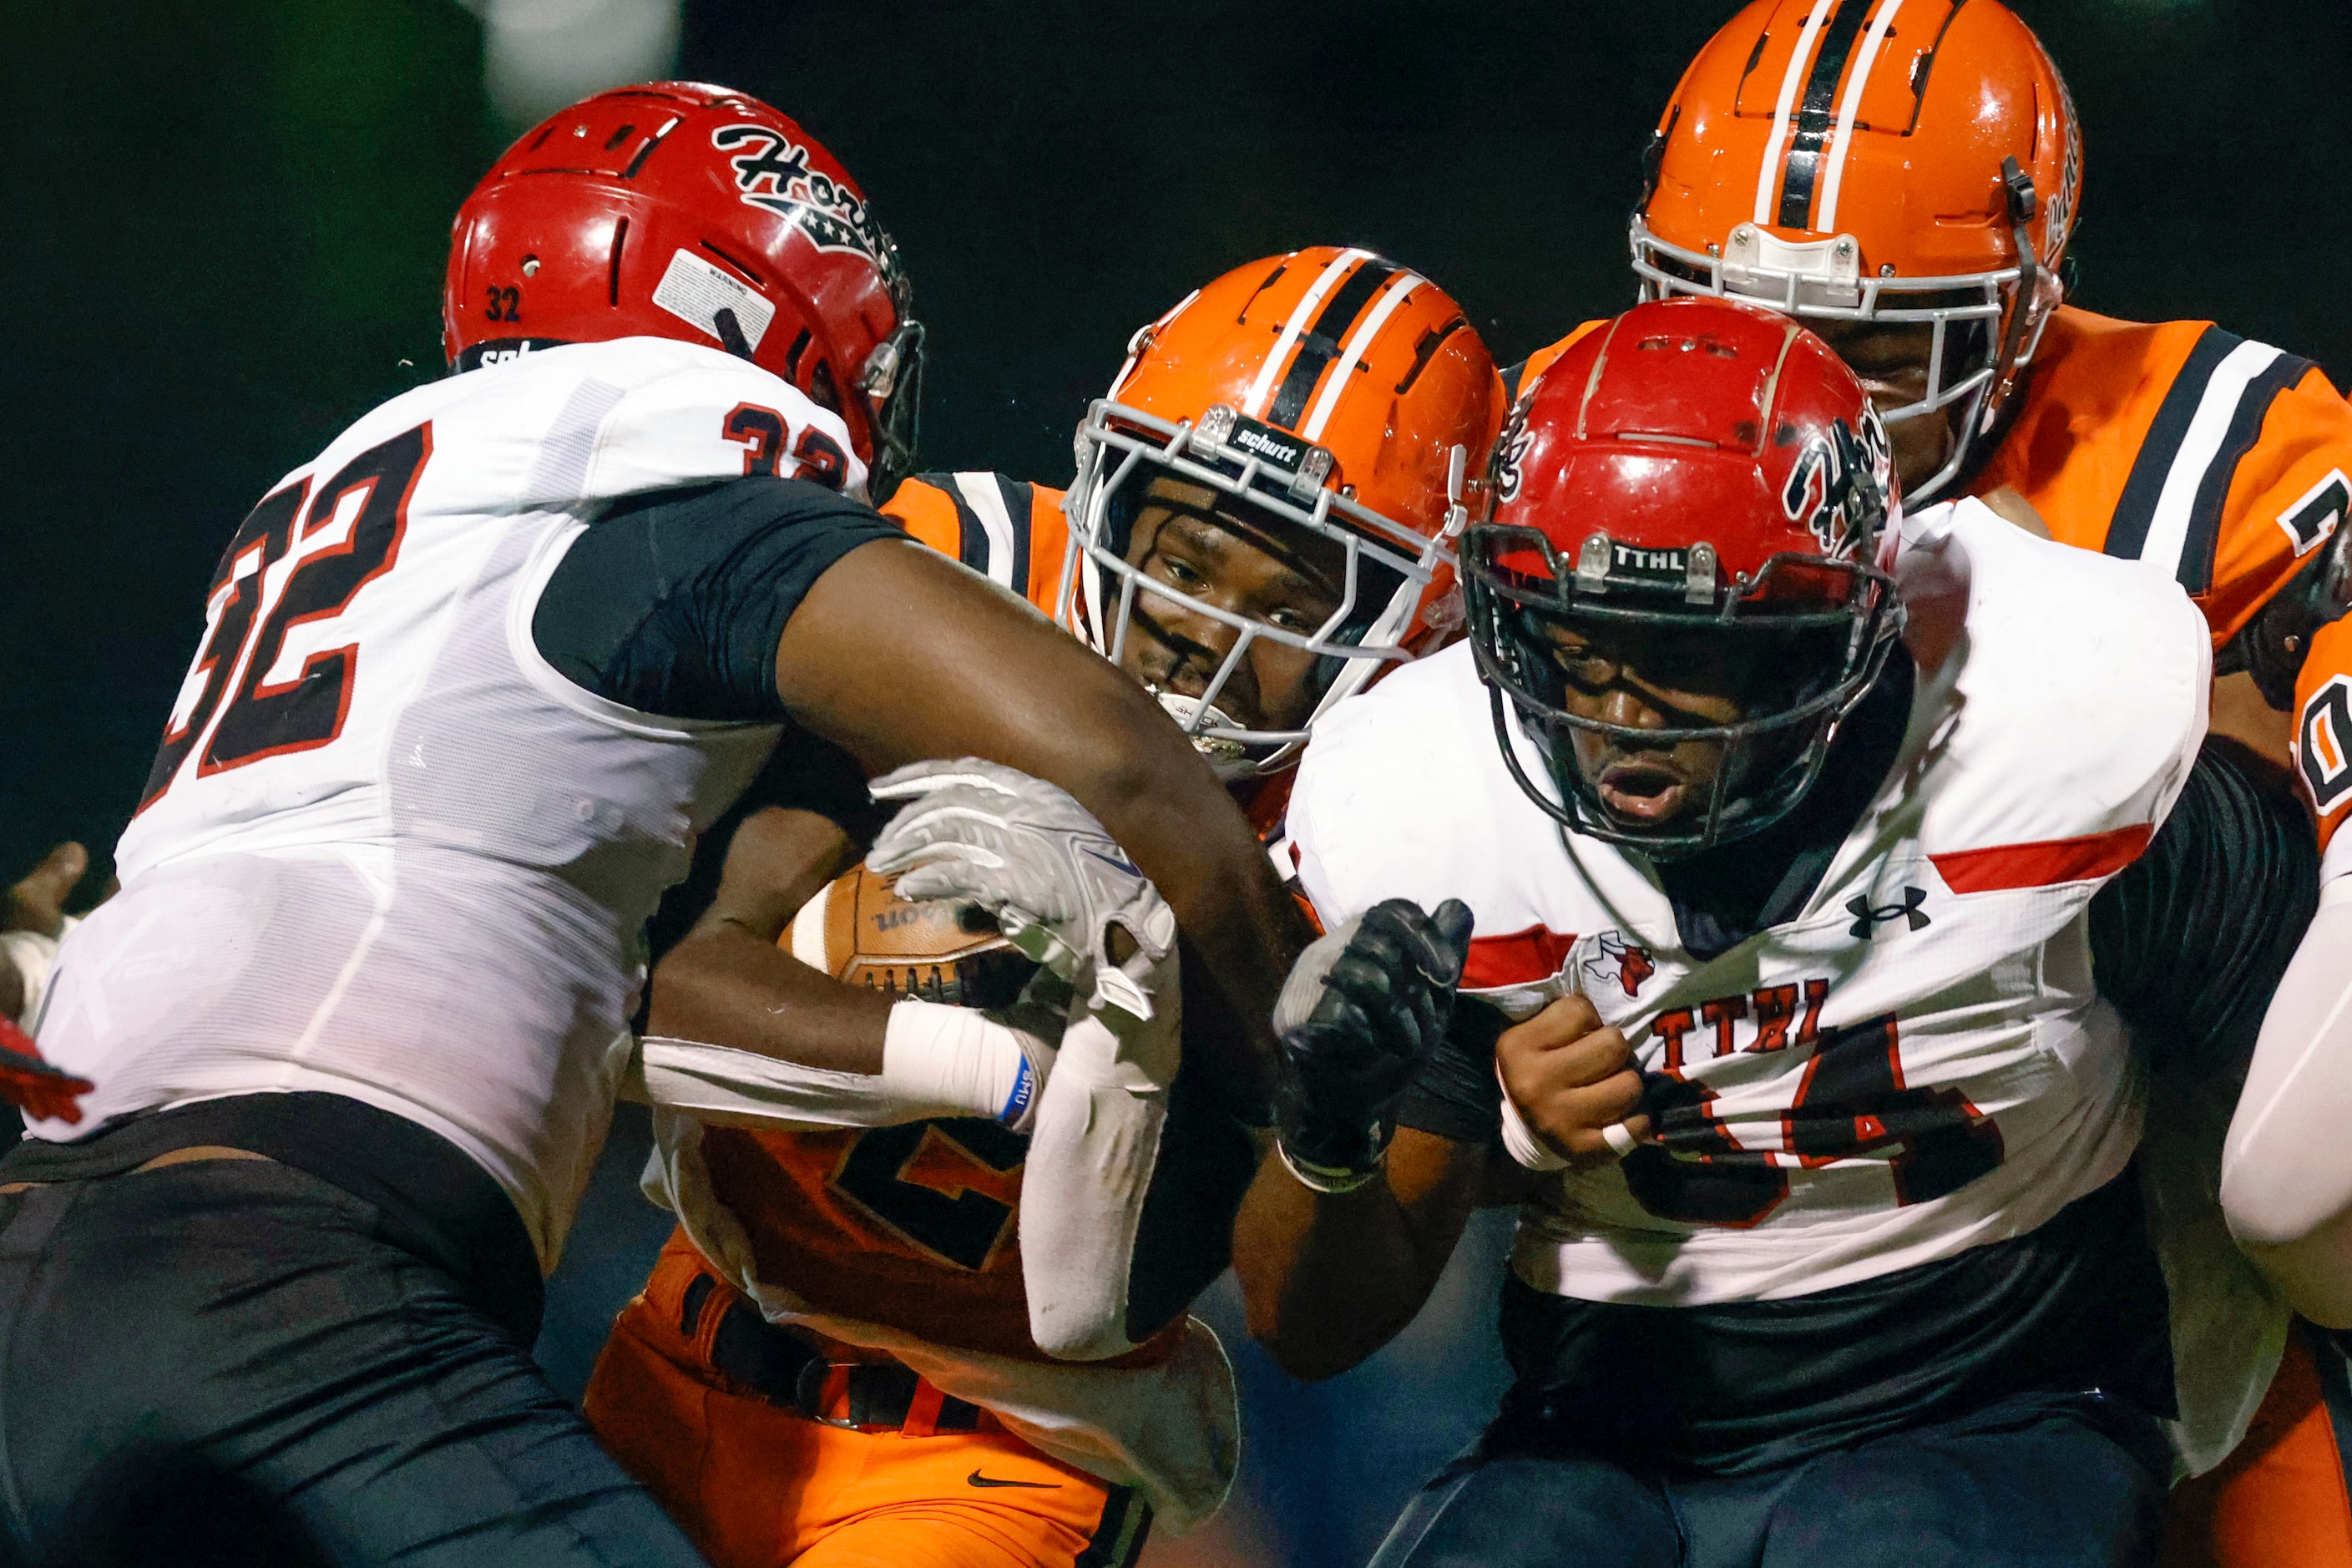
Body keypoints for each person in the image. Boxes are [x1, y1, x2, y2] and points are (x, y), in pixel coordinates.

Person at [0, 83, 1307, 1568]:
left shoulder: (351, 498)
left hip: (44, 1251)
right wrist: (1300, 1040)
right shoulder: (660, 469)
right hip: (287, 1284)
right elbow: (1111, 753)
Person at [1236, 295, 2317, 1565]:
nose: (1621, 722)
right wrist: (1330, 1132)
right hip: (1601, 1428)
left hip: (1988, 1405)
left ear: (1845, 625)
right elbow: (1309, 1327)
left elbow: (2289, 1113)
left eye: (1682, 648)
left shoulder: (2054, 741)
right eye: (1576, 646)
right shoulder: (1445, 822)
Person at [1519, 5, 2352, 1552]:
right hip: (1724, 1277)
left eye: (1867, 346)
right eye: (1728, 318)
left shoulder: (2206, 449)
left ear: (2026, 303)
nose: (1783, 395)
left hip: (2149, 1257)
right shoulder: (1587, 421)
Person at [582, 248, 1505, 1568]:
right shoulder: (969, 567)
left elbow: (1311, 1317)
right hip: (689, 1329)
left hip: (1000, 1451)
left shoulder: (1402, 822)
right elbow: (652, 983)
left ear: (1411, 621)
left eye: (1293, 599)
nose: (1205, 626)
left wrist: (1324, 1124)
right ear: (1106, 489)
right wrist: (980, 1053)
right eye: (1185, 550)